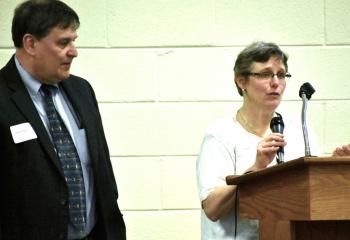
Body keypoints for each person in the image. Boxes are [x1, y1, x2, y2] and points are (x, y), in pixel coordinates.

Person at [196, 41, 350, 240]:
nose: (276, 82)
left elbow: (311, 194)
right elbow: (212, 208)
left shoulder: (299, 128)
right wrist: (256, 169)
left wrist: (332, 166)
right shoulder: (220, 135)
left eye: (281, 74)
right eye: (266, 74)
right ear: (241, 81)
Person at [0, 1, 125, 239]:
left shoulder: (81, 90)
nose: (74, 51)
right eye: (63, 42)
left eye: (73, 41)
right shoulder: (3, 97)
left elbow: (102, 173)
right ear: (31, 43)